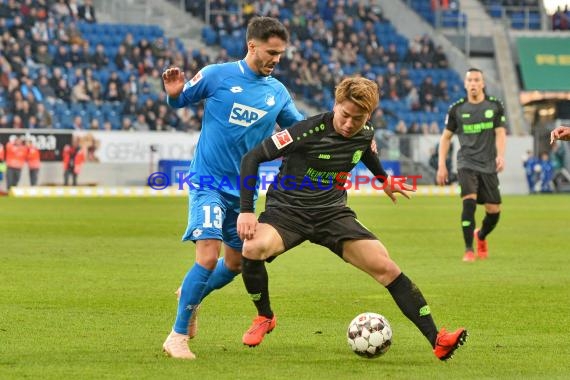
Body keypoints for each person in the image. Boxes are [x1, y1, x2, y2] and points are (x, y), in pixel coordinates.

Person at [237, 77, 467, 361]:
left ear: (368, 116)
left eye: (357, 119)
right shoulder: (304, 131)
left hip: (332, 213)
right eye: (344, 115)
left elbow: (364, 152)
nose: (349, 124)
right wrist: (246, 210)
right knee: (251, 248)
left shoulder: (365, 132)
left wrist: (383, 179)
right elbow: (252, 158)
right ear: (335, 105)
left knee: (386, 266)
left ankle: (438, 340)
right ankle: (264, 316)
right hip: (288, 212)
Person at [161, 16, 304, 360]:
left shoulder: (277, 92)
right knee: (207, 257)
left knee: (236, 262)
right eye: (271, 52)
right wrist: (174, 94)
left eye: (281, 54)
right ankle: (177, 337)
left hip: (242, 191)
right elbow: (181, 101)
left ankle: (190, 296)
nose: (276, 59)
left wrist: (349, 137)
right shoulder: (217, 74)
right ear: (252, 46)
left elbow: (300, 131)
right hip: (207, 179)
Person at [436, 68, 506, 262]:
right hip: (466, 163)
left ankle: (481, 236)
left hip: (488, 164)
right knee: (469, 203)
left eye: (477, 80)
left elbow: (500, 133)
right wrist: (442, 165)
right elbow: (445, 138)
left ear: (483, 83)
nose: (473, 83)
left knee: (494, 211)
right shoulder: (457, 109)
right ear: (465, 84)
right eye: (470, 80)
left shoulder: (495, 106)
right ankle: (468, 250)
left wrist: (501, 156)